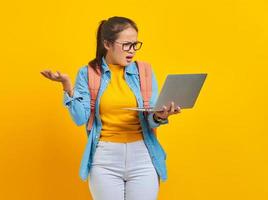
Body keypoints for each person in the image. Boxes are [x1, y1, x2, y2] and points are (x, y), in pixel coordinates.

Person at [40, 16, 181, 200]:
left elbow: (151, 118)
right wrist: (67, 86)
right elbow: (80, 118)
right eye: (126, 45)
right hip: (105, 159)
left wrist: (160, 115)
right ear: (107, 43)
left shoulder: (144, 71)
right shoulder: (88, 73)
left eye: (135, 44)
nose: (132, 51)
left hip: (143, 157)